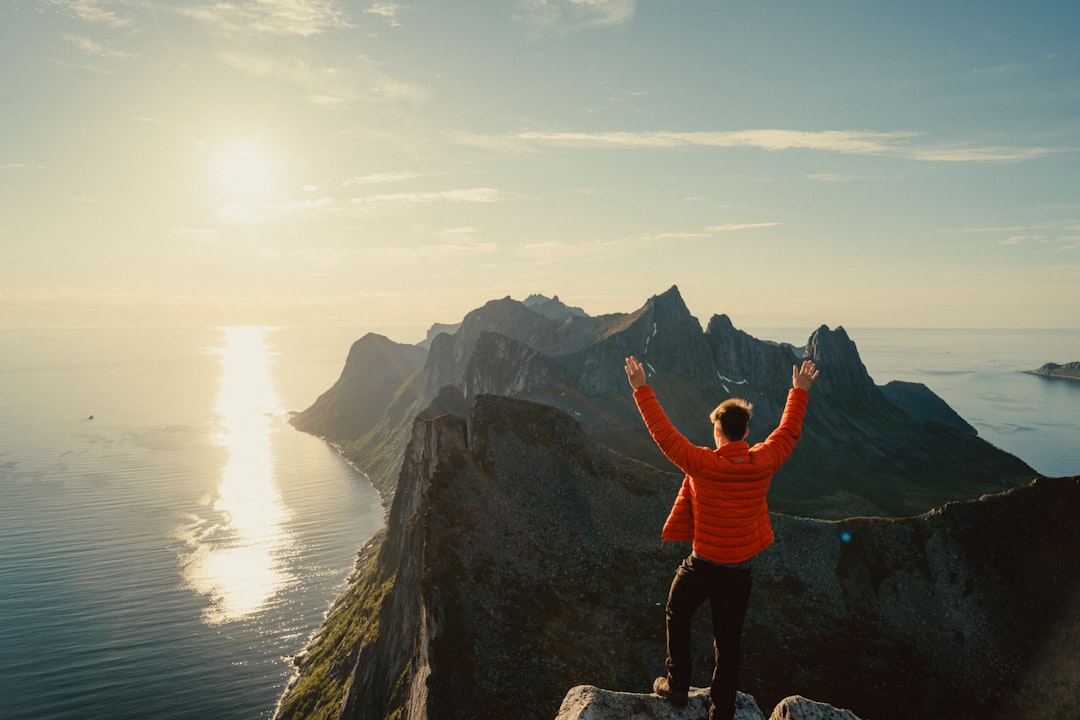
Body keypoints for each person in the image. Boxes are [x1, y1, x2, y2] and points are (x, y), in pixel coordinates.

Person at [623, 355, 820, 720]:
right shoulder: (763, 461)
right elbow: (788, 430)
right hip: (738, 570)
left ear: (718, 432)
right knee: (728, 642)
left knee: (676, 612)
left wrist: (640, 388)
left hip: (702, 566)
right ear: (745, 432)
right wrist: (799, 391)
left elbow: (664, 434)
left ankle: (678, 686)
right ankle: (723, 710)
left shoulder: (701, 463)